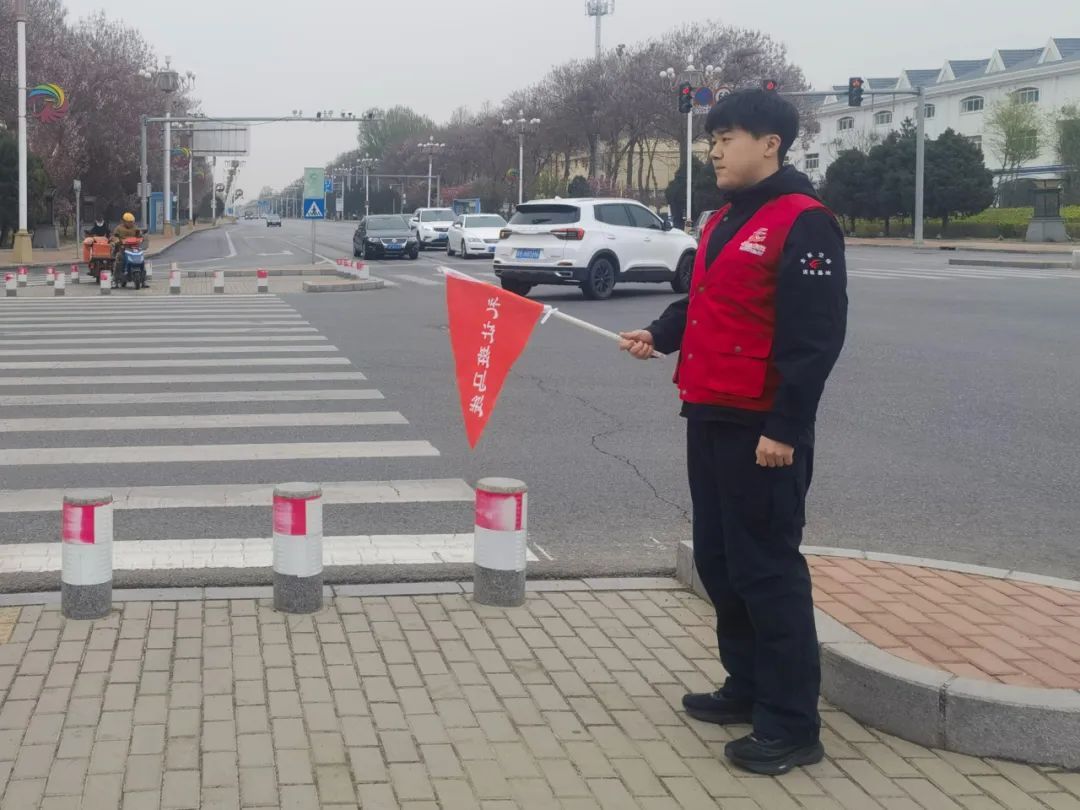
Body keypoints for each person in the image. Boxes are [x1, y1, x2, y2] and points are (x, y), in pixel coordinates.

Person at [619, 89, 848, 776]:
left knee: (767, 569)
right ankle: (747, 686)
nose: (714, 151)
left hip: (763, 427)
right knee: (721, 562)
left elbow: (815, 337)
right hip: (710, 410)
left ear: (771, 144)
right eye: (712, 139)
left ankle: (792, 723)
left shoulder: (804, 220)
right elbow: (706, 299)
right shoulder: (723, 219)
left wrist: (786, 427)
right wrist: (659, 333)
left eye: (727, 138)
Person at [111, 212, 144, 286]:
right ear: (124, 221)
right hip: (123, 248)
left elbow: (140, 235)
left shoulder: (135, 228)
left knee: (142, 260)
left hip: (134, 248)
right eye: (129, 222)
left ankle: (143, 280)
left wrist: (141, 237)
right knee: (119, 260)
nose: (131, 223)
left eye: (132, 222)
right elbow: (114, 237)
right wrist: (117, 240)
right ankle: (115, 280)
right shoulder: (119, 228)